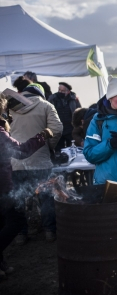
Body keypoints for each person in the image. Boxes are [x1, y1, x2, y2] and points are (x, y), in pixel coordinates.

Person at [0, 95, 54, 279]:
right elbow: (21, 152)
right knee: (17, 221)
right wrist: (42, 135)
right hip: (2, 187)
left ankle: (2, 266)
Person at [10, 84, 63, 244]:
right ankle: (49, 231)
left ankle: (20, 233)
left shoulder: (9, 106)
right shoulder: (46, 105)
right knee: (46, 197)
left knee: (18, 198)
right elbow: (57, 129)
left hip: (15, 162)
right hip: (40, 161)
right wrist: (49, 147)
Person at [48, 82, 82, 149]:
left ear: (68, 91)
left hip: (70, 128)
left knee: (72, 147)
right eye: (59, 90)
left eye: (62, 91)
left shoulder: (74, 99)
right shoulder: (53, 98)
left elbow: (79, 112)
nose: (60, 92)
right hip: (58, 128)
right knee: (58, 148)